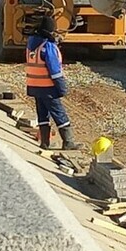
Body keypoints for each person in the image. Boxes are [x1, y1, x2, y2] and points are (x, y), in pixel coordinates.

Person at [26, 14, 83, 150]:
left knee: (43, 115)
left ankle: (44, 142)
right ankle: (68, 142)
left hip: (35, 86)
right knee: (59, 113)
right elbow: (55, 71)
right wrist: (62, 88)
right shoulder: (48, 47)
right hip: (48, 87)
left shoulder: (32, 43)